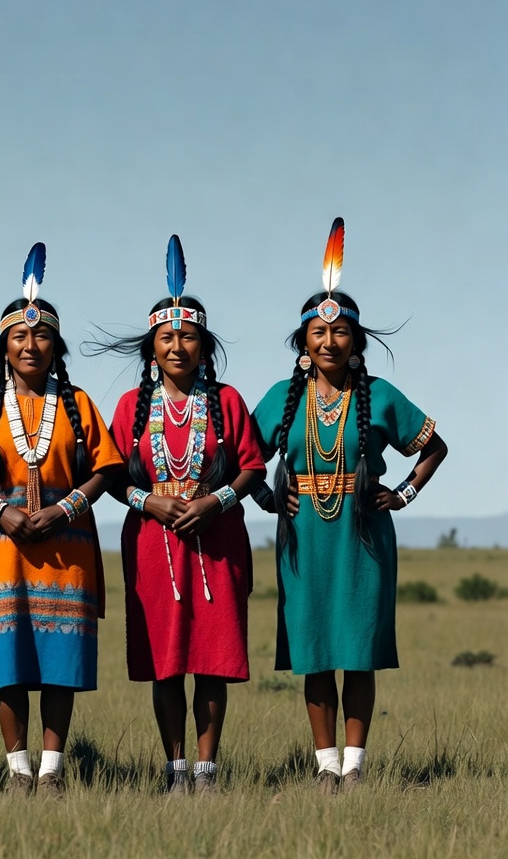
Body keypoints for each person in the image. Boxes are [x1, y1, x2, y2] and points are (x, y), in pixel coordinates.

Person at [251, 218, 447, 794]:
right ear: (303, 342)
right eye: (316, 332)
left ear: (356, 341)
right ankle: (325, 767)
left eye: (339, 333)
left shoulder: (380, 396)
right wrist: (265, 495)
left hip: (364, 535)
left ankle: (355, 769)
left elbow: (434, 446)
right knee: (314, 652)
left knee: (358, 652)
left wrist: (405, 492)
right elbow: (241, 455)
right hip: (303, 536)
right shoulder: (282, 399)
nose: (329, 341)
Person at [0, 243, 123, 796]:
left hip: (65, 545)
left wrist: (65, 508)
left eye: (41, 336)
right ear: (3, 348)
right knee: (10, 656)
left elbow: (106, 471)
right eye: (19, 337)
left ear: (56, 346)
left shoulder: (79, 403)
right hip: (0, 545)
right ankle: (18, 771)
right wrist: (1, 510)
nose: (30, 345)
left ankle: (53, 769)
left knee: (59, 657)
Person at [98, 235, 265, 794]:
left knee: (212, 659)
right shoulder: (131, 407)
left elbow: (251, 468)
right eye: (167, 338)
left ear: (204, 348)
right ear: (152, 350)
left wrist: (214, 500)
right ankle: (174, 770)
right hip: (152, 543)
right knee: (166, 660)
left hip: (217, 543)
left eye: (188, 337)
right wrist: (152, 501)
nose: (177, 346)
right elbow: (112, 475)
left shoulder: (229, 401)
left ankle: (207, 768)